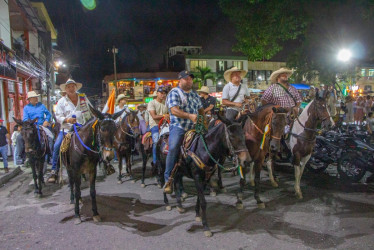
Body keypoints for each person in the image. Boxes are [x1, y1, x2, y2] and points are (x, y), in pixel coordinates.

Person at [163, 70, 204, 193]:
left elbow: (201, 110)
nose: (189, 80)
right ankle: (168, 179)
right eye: (186, 78)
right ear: (179, 80)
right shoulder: (174, 92)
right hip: (179, 127)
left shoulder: (195, 94)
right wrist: (190, 116)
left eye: (191, 79)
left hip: (194, 128)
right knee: (174, 147)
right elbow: (174, 110)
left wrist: (203, 121)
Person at [48, 79, 93, 183]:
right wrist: (67, 119)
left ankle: (104, 163)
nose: (71, 89)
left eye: (73, 86)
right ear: (66, 89)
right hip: (67, 129)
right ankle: (54, 170)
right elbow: (58, 115)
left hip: (82, 127)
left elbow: (90, 109)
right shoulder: (61, 101)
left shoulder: (83, 98)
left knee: (95, 141)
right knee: (57, 146)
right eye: (69, 87)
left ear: (75, 88)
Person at [147, 87, 169, 166]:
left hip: (165, 125)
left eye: (164, 93)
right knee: (156, 142)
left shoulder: (165, 104)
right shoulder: (152, 103)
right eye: (161, 93)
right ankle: (155, 162)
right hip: (155, 125)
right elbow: (154, 116)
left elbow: (169, 115)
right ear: (157, 93)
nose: (163, 95)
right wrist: (164, 115)